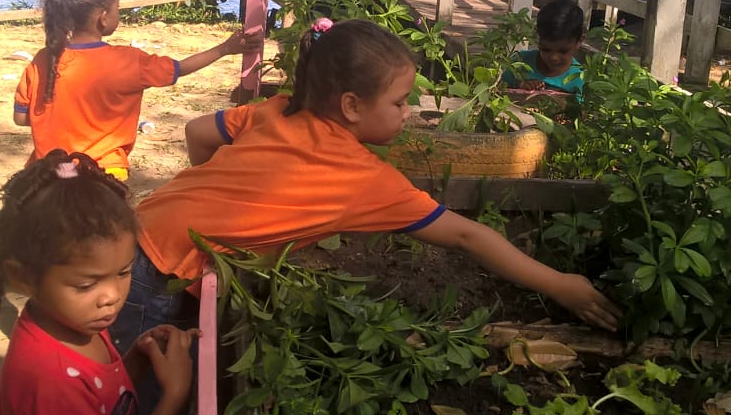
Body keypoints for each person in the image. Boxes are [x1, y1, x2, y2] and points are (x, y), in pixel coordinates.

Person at [111, 19, 620, 354]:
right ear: (352, 106)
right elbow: (468, 236)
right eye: (400, 103)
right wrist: (562, 285)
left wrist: (221, 208)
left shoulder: (279, 108)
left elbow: (197, 133)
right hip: (154, 275)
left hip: (138, 227)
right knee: (135, 394)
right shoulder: (364, 179)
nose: (406, 114)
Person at [0, 150, 200, 415]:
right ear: (24, 277)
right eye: (87, 285)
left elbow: (101, 393)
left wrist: (138, 358)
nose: (112, 296)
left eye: (125, 272)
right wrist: (173, 396)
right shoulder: (54, 381)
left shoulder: (72, 319)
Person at [14, 0, 256, 181]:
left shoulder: (43, 59)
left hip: (50, 169)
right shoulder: (129, 61)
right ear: (103, 17)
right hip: (102, 171)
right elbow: (179, 69)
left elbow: (22, 118)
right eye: (117, 6)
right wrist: (225, 49)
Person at [504, 0, 587, 97]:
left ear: (580, 41)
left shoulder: (580, 79)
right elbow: (498, 89)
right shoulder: (519, 63)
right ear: (537, 38)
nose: (554, 57)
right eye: (546, 50)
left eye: (563, 51)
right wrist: (520, 85)